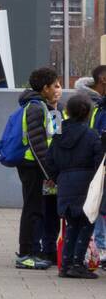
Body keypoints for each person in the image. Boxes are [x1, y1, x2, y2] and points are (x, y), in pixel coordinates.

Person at [50, 93, 103, 278]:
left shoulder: (58, 134)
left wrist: (58, 178)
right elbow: (99, 162)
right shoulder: (91, 135)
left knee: (71, 225)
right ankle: (77, 264)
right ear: (88, 112)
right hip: (86, 185)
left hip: (65, 183)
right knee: (86, 225)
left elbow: (50, 160)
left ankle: (65, 265)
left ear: (67, 112)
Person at [15, 67, 61, 270]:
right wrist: (48, 172)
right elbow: (37, 143)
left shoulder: (40, 105)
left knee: (36, 209)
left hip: (35, 166)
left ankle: (31, 251)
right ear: (45, 88)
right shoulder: (35, 107)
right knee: (32, 210)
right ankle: (26, 254)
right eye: (55, 85)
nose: (57, 89)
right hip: (31, 165)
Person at [76, 66, 106, 257]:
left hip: (94, 163)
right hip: (96, 164)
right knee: (98, 204)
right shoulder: (94, 106)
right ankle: (99, 247)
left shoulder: (98, 107)